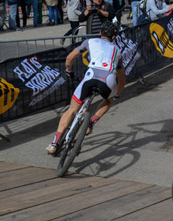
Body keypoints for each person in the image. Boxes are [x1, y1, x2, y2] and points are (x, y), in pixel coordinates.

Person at [46, 21, 126, 155]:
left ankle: (54, 143)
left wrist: (69, 70)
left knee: (72, 109)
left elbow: (69, 57)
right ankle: (91, 122)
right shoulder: (117, 51)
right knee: (108, 101)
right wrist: (117, 94)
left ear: (100, 33)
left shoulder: (90, 41)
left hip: (91, 76)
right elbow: (122, 78)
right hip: (108, 79)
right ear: (114, 38)